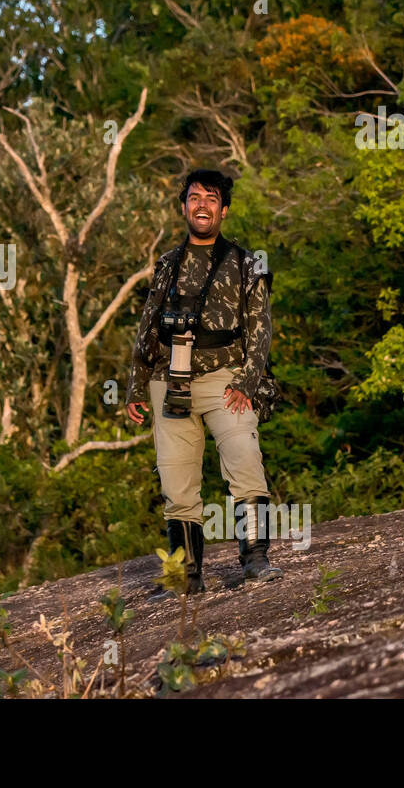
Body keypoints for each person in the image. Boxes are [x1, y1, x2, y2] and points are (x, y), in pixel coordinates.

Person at [125, 169, 282, 598]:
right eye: (194, 198)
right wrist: (136, 386)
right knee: (176, 486)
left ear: (224, 210)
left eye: (211, 199)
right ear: (183, 207)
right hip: (168, 380)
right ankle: (186, 579)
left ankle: (255, 560)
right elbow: (147, 327)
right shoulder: (167, 264)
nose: (202, 206)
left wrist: (247, 383)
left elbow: (260, 328)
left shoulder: (246, 263)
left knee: (245, 461)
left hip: (225, 378)